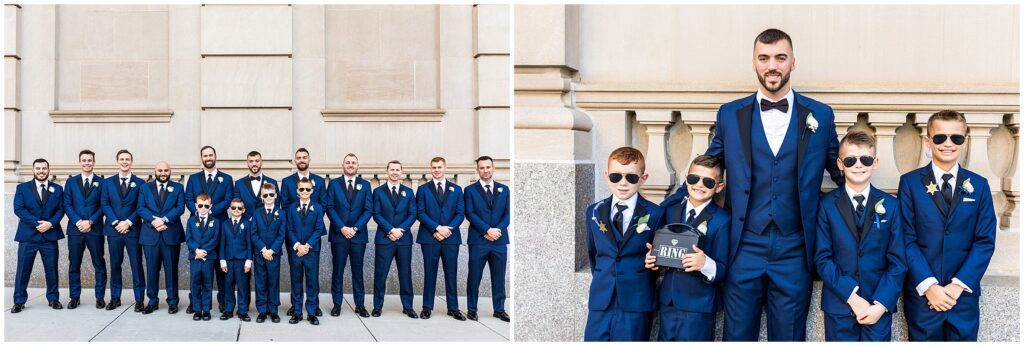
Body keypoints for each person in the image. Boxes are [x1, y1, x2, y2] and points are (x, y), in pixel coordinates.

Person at [700, 28, 844, 341]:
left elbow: (842, 172)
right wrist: (667, 224)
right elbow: (706, 172)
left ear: (793, 62)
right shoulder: (729, 115)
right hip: (743, 247)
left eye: (780, 57)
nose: (772, 66)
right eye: (764, 58)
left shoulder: (820, 114)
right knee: (737, 336)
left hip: (795, 249)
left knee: (789, 337)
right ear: (754, 63)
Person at [899, 110, 996, 341]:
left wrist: (957, 286)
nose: (948, 144)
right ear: (928, 140)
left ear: (965, 140)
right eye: (940, 137)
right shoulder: (910, 183)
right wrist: (929, 285)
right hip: (923, 296)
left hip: (962, 297)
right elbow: (905, 237)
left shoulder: (979, 186)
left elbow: (984, 241)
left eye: (956, 138)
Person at [815, 131, 906, 341]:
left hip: (878, 307)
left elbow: (898, 261)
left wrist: (881, 303)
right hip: (840, 305)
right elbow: (822, 258)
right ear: (840, 164)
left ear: (875, 162)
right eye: (850, 160)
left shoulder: (891, 206)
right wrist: (851, 297)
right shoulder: (826, 205)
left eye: (865, 159)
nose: (858, 165)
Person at [583, 147, 665, 341]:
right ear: (606, 175)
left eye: (631, 178)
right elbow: (593, 252)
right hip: (601, 299)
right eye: (615, 176)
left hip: (636, 300)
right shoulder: (593, 211)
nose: (623, 183)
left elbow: (658, 258)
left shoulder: (655, 214)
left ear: (643, 178)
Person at [645, 154, 730, 341]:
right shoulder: (671, 211)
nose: (699, 185)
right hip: (668, 300)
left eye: (708, 182)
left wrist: (705, 263)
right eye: (694, 178)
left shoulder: (723, 221)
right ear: (686, 179)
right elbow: (661, 247)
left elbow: (724, 268)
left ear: (719, 187)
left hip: (699, 305)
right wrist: (653, 259)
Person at [184, 145, 234, 314]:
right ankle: (195, 303)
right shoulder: (193, 179)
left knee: (220, 267)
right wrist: (200, 211)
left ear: (215, 156)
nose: (208, 158)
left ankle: (222, 301)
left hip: (219, 225)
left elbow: (228, 200)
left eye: (210, 155)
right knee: (197, 271)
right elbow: (189, 198)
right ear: (202, 158)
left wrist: (210, 211)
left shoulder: (226, 179)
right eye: (205, 155)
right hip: (198, 228)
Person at [415, 157, 466, 320]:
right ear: (430, 169)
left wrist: (447, 229)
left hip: (451, 238)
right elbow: (420, 213)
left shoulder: (456, 189)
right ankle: (427, 307)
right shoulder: (423, 189)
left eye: (439, 167)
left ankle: (453, 308)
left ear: (445, 168)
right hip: (430, 237)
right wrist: (436, 228)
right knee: (429, 273)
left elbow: (460, 213)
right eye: (434, 167)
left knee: (451, 273)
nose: (437, 170)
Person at [11, 158, 65, 313]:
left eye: (44, 168)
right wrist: (37, 223)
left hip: (50, 236)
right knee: (23, 270)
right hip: (28, 236)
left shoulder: (57, 189)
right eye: (38, 168)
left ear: (48, 170)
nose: (41, 171)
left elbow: (61, 210)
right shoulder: (22, 188)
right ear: (33, 170)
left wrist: (50, 224)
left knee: (52, 269)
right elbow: (19, 209)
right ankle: (19, 301)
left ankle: (53, 298)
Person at [325, 153, 373, 317]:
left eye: (353, 163)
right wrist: (342, 228)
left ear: (357, 166)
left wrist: (356, 228)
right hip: (339, 235)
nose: (350, 165)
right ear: (343, 165)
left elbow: (368, 210)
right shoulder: (333, 184)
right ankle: (337, 303)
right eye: (348, 162)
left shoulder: (365, 185)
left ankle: (359, 304)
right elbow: (330, 207)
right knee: (337, 271)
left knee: (358, 271)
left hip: (358, 236)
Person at [463, 156, 510, 322]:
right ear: (477, 170)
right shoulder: (470, 190)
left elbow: (508, 214)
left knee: (499, 277)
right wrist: (486, 230)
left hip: (499, 240)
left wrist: (497, 230)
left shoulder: (504, 189)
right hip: (478, 240)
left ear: (493, 168)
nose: (485, 170)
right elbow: (470, 213)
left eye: (488, 167)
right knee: (474, 276)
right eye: (481, 168)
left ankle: (499, 309)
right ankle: (472, 309)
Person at [280, 148, 326, 317]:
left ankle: (313, 307)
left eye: (304, 157)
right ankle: (296, 307)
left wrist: (308, 244)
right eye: (298, 158)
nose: (301, 160)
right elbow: (284, 206)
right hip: (294, 236)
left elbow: (323, 205)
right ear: (295, 160)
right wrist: (297, 244)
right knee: (296, 274)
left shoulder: (319, 181)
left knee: (313, 276)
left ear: (309, 159)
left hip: (312, 238)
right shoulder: (287, 181)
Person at [100, 149, 147, 311]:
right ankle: (115, 297)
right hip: (113, 231)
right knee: (115, 264)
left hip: (133, 230)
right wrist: (116, 222)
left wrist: (127, 222)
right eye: (122, 159)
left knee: (136, 265)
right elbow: (105, 204)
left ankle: (139, 299)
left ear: (131, 162)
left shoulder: (140, 183)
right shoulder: (107, 182)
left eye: (127, 159)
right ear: (117, 162)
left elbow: (140, 206)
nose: (124, 162)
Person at [137, 161, 186, 315]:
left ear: (170, 171)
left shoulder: (178, 187)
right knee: (151, 270)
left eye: (166, 170)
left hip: (170, 234)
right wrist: (154, 221)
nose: (163, 173)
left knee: (171, 270)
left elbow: (180, 208)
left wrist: (164, 220)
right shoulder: (145, 187)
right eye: (160, 170)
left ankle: (172, 301)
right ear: (155, 171)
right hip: (150, 235)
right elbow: (141, 208)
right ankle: (152, 301)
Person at [371, 160, 418, 319]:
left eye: (398, 169)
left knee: (405, 274)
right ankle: (377, 306)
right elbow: (376, 214)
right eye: (392, 169)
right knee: (380, 274)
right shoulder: (378, 192)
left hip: (404, 240)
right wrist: (390, 230)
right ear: (387, 171)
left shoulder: (409, 192)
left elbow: (413, 214)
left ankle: (408, 306)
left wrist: (400, 230)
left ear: (401, 172)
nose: (395, 172)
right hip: (385, 238)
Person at [63, 149, 107, 309]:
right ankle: (74, 297)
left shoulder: (102, 183)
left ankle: (100, 297)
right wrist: (78, 221)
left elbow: (104, 205)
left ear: (94, 163)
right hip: (75, 231)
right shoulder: (71, 182)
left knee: (99, 263)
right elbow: (67, 204)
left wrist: (90, 221)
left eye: (90, 160)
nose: (87, 163)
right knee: (74, 264)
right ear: (79, 162)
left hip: (95, 230)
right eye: (84, 160)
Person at [252, 183, 285, 323]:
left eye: (271, 194)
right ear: (261, 197)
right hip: (260, 254)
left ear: (276, 196)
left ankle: (273, 309)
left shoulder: (281, 213)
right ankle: (262, 310)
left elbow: (282, 233)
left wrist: (271, 250)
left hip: (274, 254)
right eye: (265, 195)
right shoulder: (256, 213)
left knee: (273, 281)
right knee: (260, 282)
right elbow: (253, 233)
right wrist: (263, 249)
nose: (269, 197)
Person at [219, 198, 254, 322]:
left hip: (242, 260)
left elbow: (250, 243)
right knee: (228, 285)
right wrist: (222, 260)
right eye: (234, 208)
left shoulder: (247, 224)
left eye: (239, 208)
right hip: (228, 260)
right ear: (229, 209)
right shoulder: (224, 224)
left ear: (243, 210)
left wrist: (249, 260)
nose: (236, 210)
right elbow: (222, 243)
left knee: (243, 286)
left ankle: (243, 310)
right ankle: (228, 309)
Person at [185, 193, 218, 321]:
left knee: (207, 284)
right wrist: (196, 250)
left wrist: (204, 251)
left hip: (208, 258)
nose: (203, 208)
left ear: (211, 206)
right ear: (196, 206)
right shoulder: (191, 220)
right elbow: (189, 238)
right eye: (200, 205)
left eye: (206, 205)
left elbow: (215, 239)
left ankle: (206, 309)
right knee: (195, 283)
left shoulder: (215, 221)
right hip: (195, 257)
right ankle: (197, 309)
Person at [234, 150, 279, 219]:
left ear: (261, 162)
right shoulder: (239, 184)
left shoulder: (272, 182)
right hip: (246, 224)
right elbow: (237, 205)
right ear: (247, 163)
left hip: (266, 224)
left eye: (257, 161)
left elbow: (276, 205)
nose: (254, 164)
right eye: (251, 161)